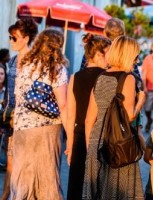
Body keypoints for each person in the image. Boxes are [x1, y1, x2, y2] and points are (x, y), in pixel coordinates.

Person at [83, 35, 144, 199]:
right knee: (118, 191)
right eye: (136, 56)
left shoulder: (101, 77)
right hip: (118, 141)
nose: (137, 61)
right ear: (127, 55)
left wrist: (90, 148)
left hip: (97, 142)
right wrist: (141, 101)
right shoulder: (128, 78)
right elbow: (129, 116)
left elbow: (89, 119)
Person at [10, 28, 68, 199]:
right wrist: (70, 138)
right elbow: (63, 104)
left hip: (23, 129)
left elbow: (18, 99)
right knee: (47, 176)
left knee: (22, 178)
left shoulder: (25, 66)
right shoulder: (57, 69)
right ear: (58, 46)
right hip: (48, 129)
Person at [65, 34, 111, 200]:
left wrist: (69, 146)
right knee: (97, 188)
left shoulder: (75, 77)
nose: (110, 58)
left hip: (78, 138)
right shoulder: (107, 78)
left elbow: (71, 116)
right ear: (98, 54)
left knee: (77, 187)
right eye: (108, 53)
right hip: (100, 137)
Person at [2, 18, 38, 200]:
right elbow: (9, 93)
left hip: (28, 122)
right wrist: (5, 115)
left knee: (23, 163)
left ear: (26, 37)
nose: (10, 40)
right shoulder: (13, 60)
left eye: (14, 37)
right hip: (11, 118)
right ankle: (7, 193)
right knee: (9, 160)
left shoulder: (35, 61)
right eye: (10, 37)